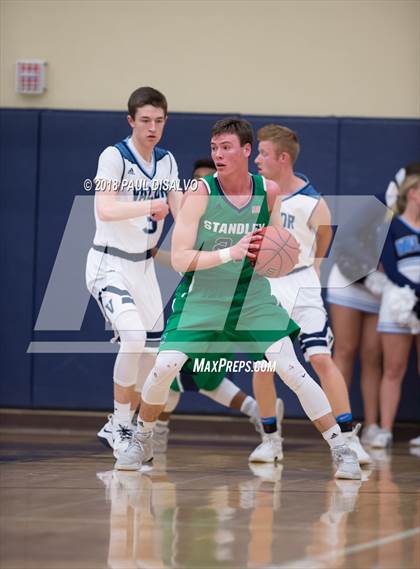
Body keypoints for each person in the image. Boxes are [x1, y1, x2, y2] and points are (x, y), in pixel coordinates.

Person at [115, 117, 362, 480]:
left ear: (246, 151)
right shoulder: (200, 192)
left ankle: (341, 448)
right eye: (214, 148)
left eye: (226, 147)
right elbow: (181, 258)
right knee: (164, 367)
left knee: (292, 369)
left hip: (252, 297)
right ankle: (142, 437)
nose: (218, 154)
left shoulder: (268, 190)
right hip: (203, 296)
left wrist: (283, 258)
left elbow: (276, 243)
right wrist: (231, 252)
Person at [251, 124, 370, 464]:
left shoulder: (312, 201)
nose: (256, 159)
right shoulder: (258, 193)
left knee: (319, 358)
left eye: (263, 154)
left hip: (302, 285)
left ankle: (348, 436)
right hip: (269, 288)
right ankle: (271, 440)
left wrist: (315, 265)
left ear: (283, 158)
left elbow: (325, 236)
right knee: (263, 365)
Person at [86, 86, 182, 459]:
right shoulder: (114, 157)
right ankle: (122, 426)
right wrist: (151, 204)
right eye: (145, 121)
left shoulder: (168, 160)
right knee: (133, 336)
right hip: (109, 262)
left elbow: (181, 206)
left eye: (159, 121)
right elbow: (106, 209)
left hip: (143, 268)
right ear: (131, 121)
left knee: (154, 356)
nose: (152, 127)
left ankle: (123, 425)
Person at [327, 162, 420, 445]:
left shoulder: (409, 214)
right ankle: (336, 427)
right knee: (344, 350)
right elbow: (344, 240)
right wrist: (370, 272)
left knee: (372, 356)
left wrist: (384, 278)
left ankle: (373, 426)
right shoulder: (381, 201)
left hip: (382, 289)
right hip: (350, 280)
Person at [370, 174, 420, 448]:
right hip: (398, 301)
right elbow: (388, 262)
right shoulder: (392, 225)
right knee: (393, 368)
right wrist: (415, 291)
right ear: (412, 193)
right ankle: (385, 430)